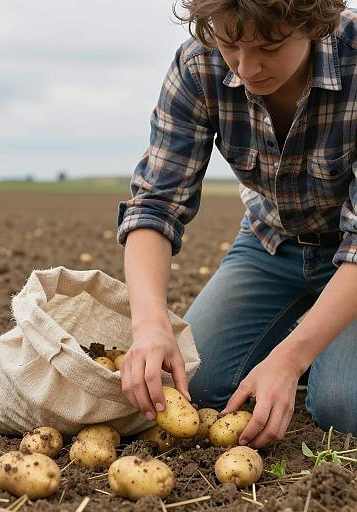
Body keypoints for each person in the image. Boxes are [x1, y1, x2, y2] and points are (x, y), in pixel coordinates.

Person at [117, 0, 357, 449]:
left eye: (269, 46)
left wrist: (289, 361)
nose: (247, 68)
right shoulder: (197, 65)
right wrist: (149, 325)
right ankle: (307, 342)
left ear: (314, 24)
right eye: (230, 44)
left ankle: (312, 352)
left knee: (342, 406)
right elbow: (155, 203)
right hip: (271, 243)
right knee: (195, 384)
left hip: (352, 260)